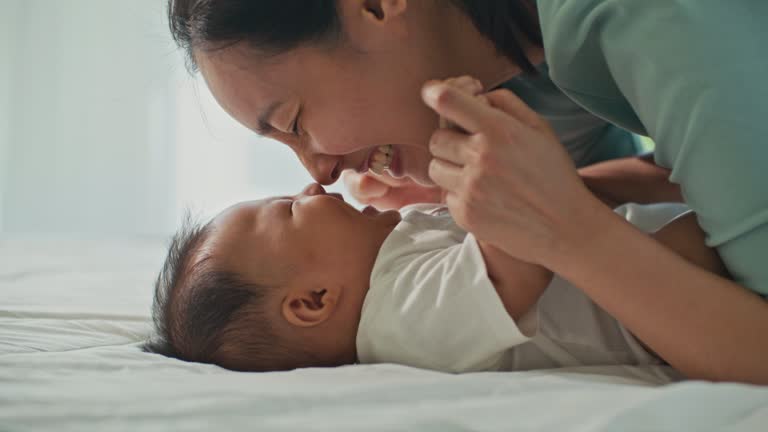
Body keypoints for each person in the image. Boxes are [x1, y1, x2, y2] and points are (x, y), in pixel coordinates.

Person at [165, 0, 768, 383]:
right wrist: (515, 201)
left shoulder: (647, 20)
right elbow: (661, 182)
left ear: (375, 6)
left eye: (295, 122)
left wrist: (560, 225)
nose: (320, 175)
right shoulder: (534, 71)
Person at [144, 183, 725, 374]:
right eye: (290, 209)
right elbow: (509, 273)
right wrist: (479, 166)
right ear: (314, 301)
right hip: (660, 310)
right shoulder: (396, 324)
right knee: (698, 238)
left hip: (647, 258)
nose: (313, 188)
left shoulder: (393, 261)